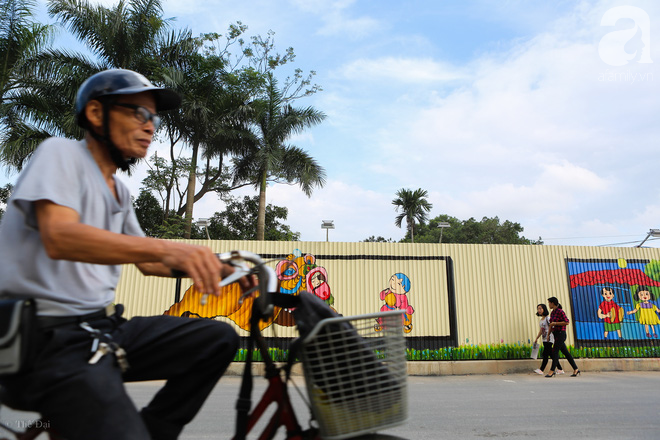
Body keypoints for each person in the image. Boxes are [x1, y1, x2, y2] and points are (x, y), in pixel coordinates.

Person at [0, 69, 254, 440]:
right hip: (45, 341)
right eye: (139, 113)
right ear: (95, 113)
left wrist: (219, 268)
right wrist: (170, 247)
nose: (151, 126)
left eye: (154, 118)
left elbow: (149, 262)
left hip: (100, 329)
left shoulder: (119, 193)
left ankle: (152, 431)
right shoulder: (61, 153)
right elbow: (60, 236)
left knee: (217, 338)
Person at [545, 297, 581, 378]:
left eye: (549, 303)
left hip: (561, 334)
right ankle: (576, 369)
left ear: (553, 303)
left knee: (555, 351)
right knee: (566, 353)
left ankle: (552, 371)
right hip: (555, 334)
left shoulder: (560, 311)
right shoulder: (552, 313)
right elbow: (551, 324)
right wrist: (548, 335)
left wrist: (555, 323)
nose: (549, 305)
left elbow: (566, 322)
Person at [533, 304, 563, 375]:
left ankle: (541, 370)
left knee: (545, 353)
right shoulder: (541, 320)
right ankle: (560, 369)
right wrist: (537, 338)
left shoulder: (548, 318)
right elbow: (541, 330)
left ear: (544, 309)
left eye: (540, 309)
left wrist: (549, 335)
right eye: (538, 309)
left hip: (549, 338)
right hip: (544, 339)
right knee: (551, 354)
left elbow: (552, 326)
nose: (539, 310)